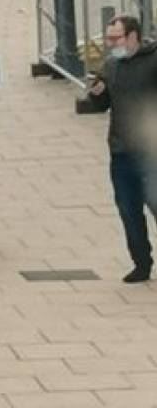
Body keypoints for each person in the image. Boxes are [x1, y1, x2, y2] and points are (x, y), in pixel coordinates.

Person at [87, 15, 157, 283]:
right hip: (121, 151)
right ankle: (141, 262)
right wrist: (96, 94)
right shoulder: (111, 66)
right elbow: (100, 104)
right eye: (108, 38)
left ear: (133, 37)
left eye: (116, 38)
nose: (110, 43)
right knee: (129, 210)